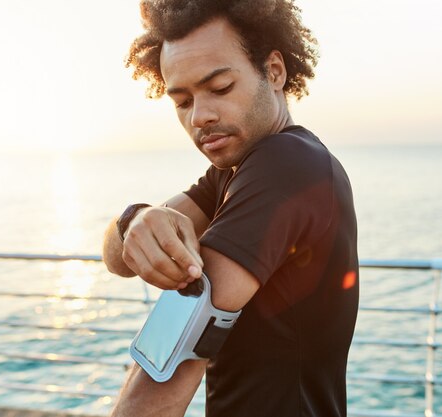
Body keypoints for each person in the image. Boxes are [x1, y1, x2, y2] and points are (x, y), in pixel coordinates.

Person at [102, 1, 359, 416]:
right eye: (182, 102)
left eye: (220, 88)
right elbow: (117, 261)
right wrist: (137, 219)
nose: (200, 116)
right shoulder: (234, 172)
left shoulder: (285, 163)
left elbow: (180, 350)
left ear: (274, 72)